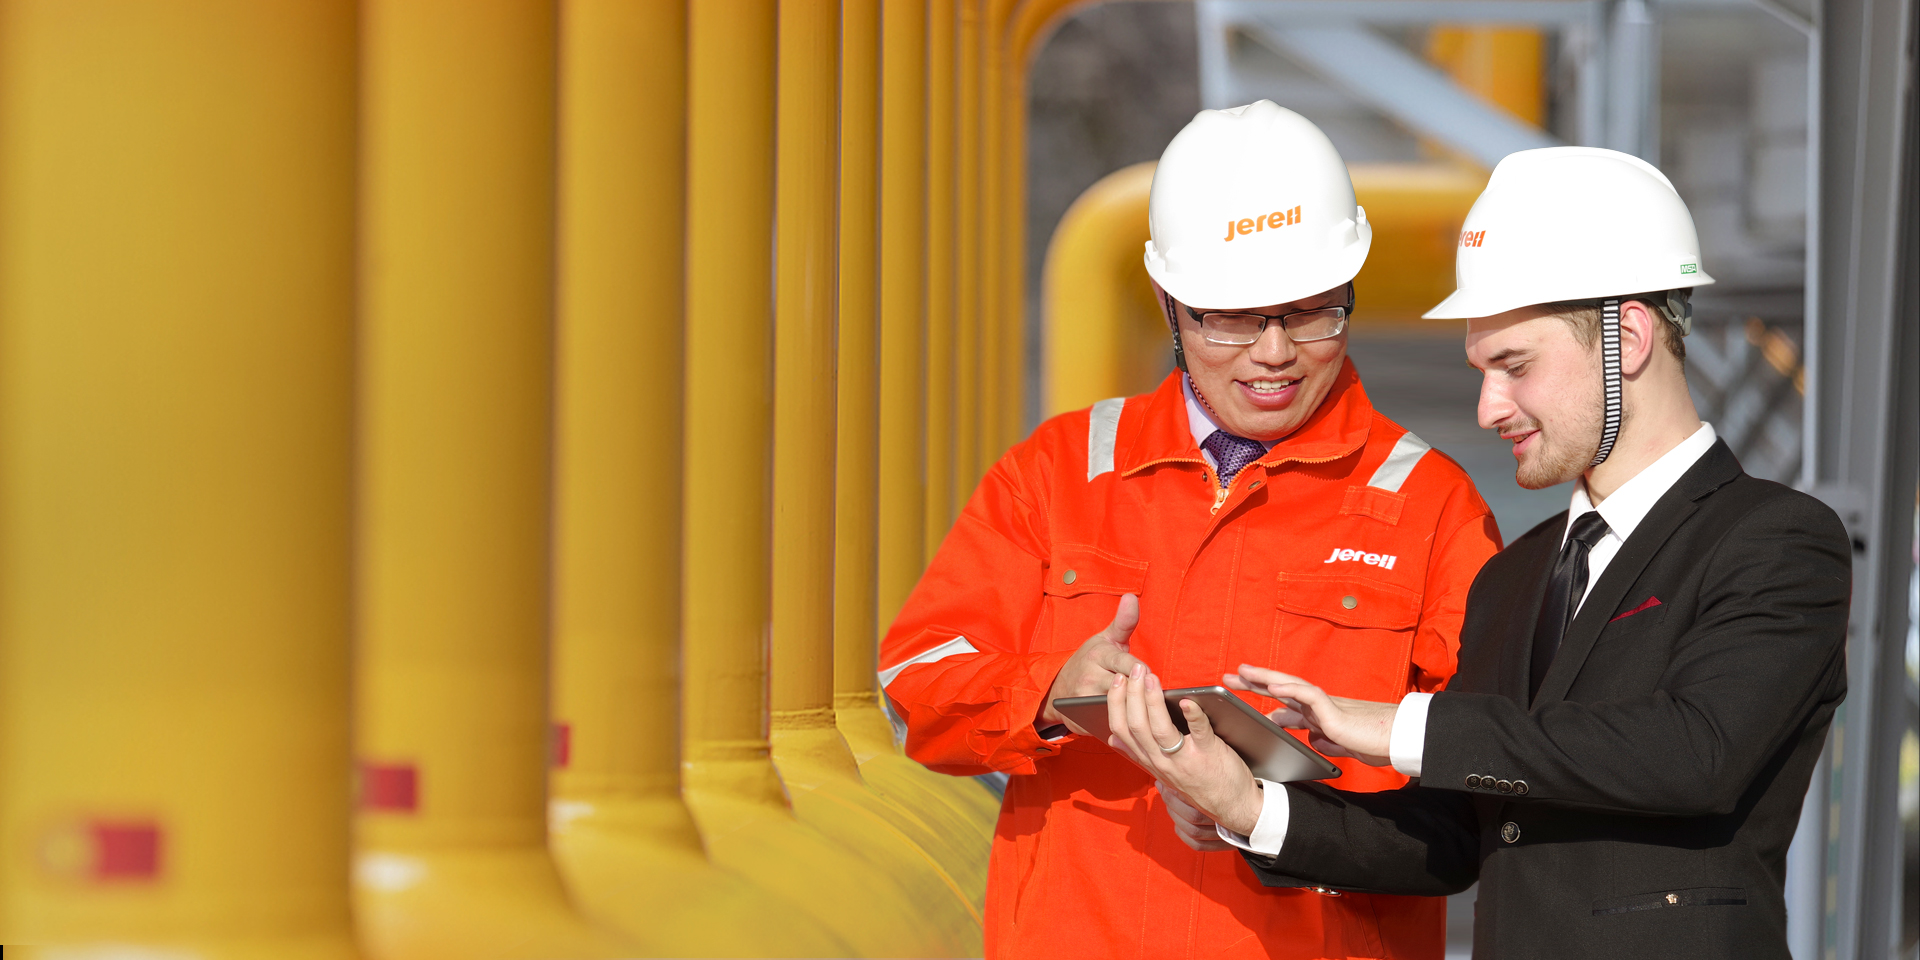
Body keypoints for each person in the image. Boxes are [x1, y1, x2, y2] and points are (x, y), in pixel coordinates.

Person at [1109, 146, 1851, 959]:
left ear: (1629, 337)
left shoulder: (1775, 540)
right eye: (1482, 370)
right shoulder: (1514, 576)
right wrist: (1248, 806)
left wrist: (1403, 726)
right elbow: (1453, 837)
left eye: (1514, 366)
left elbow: (1694, 754)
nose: (1489, 407)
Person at [878, 100, 1501, 960]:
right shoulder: (1059, 472)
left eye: (1310, 312)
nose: (1275, 352)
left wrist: (1270, 809)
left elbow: (1476, 780)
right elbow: (914, 684)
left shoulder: (1432, 505)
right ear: (1169, 304)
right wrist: (1051, 691)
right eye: (1234, 317)